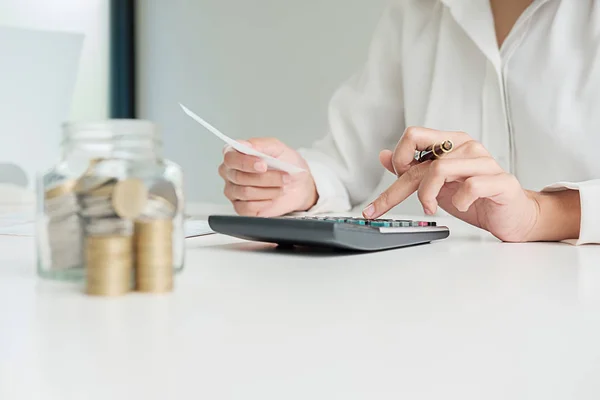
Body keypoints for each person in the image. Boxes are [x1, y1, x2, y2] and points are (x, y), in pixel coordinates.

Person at [218, 0, 600, 245]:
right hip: (448, 298)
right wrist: (299, 182)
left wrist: (539, 215)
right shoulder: (416, 11)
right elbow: (345, 159)